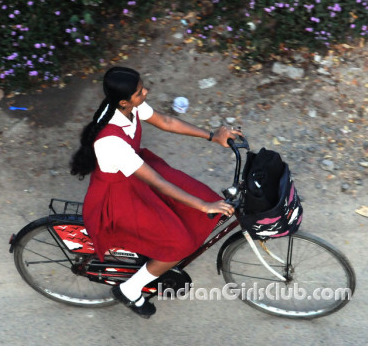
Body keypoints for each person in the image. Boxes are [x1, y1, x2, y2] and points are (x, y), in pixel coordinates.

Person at [70, 66, 240, 318]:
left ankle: (154, 252)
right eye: (140, 92)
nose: (145, 92)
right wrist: (204, 206)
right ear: (124, 101)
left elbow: (166, 121)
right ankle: (129, 289)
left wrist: (212, 136)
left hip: (138, 175)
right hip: (119, 197)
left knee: (200, 197)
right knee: (180, 243)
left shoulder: (130, 108)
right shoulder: (110, 142)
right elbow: (159, 183)